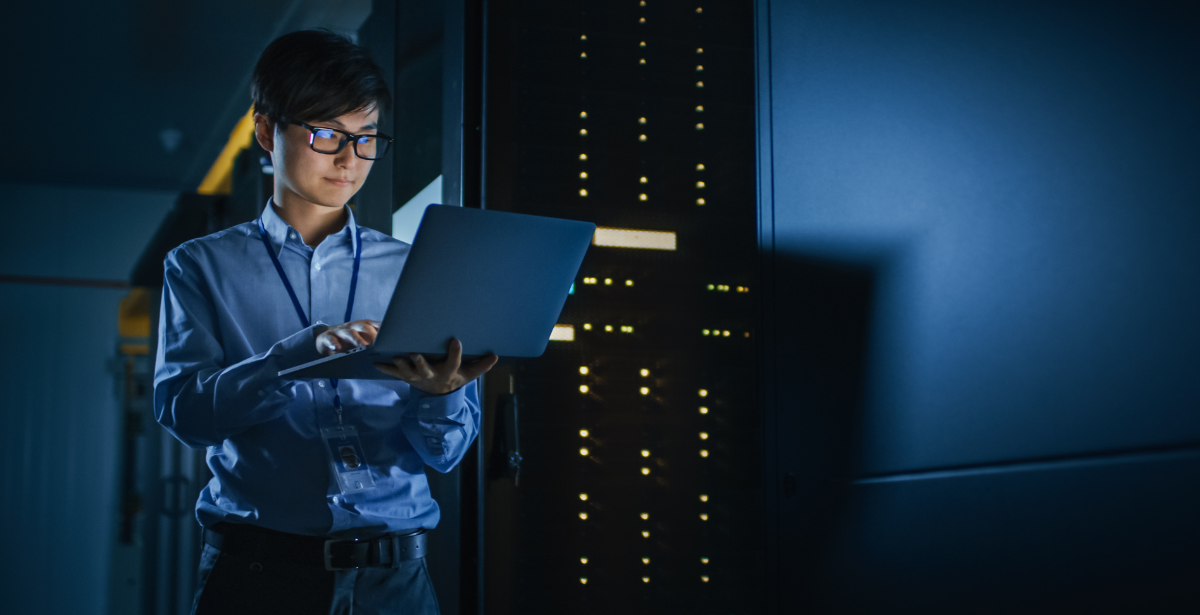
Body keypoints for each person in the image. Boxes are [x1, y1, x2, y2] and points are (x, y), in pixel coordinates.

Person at [153, 29, 497, 615]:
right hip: (258, 575)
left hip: (396, 581)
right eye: (326, 134)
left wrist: (440, 396)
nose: (348, 160)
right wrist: (291, 359)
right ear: (267, 131)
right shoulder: (200, 265)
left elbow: (446, 453)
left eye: (366, 139)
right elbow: (187, 416)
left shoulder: (417, 269)